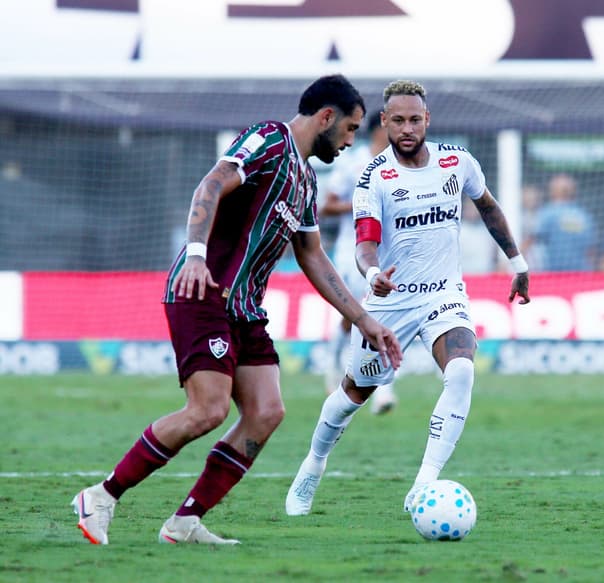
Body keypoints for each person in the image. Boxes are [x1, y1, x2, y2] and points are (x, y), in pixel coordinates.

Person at [71, 74, 402, 545]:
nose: (352, 140)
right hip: (203, 291)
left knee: (266, 412)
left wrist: (367, 321)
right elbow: (210, 185)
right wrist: (195, 255)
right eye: (349, 129)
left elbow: (312, 256)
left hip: (245, 310)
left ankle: (184, 522)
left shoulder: (306, 180)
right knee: (206, 411)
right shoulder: (269, 139)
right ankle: (101, 496)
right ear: (326, 117)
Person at [284, 79, 531, 517]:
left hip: (444, 295)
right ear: (384, 122)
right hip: (391, 303)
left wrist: (517, 262)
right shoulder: (374, 176)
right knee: (350, 397)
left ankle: (423, 486)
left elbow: (489, 207)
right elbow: (365, 242)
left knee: (461, 372)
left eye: (415, 119)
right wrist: (374, 273)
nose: (407, 128)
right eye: (397, 120)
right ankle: (313, 465)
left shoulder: (458, 162)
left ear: (427, 120)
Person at [320, 110, 397, 413]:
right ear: (382, 127)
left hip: (388, 252)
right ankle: (333, 364)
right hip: (352, 252)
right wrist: (362, 205)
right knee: (355, 316)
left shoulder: (399, 162)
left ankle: (383, 389)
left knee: (383, 314)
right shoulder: (354, 163)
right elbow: (326, 206)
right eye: (395, 122)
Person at [532, 172, 596, 271]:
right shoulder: (584, 215)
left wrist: (510, 262)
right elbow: (591, 251)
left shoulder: (548, 213)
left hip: (554, 275)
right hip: (580, 274)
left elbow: (530, 239)